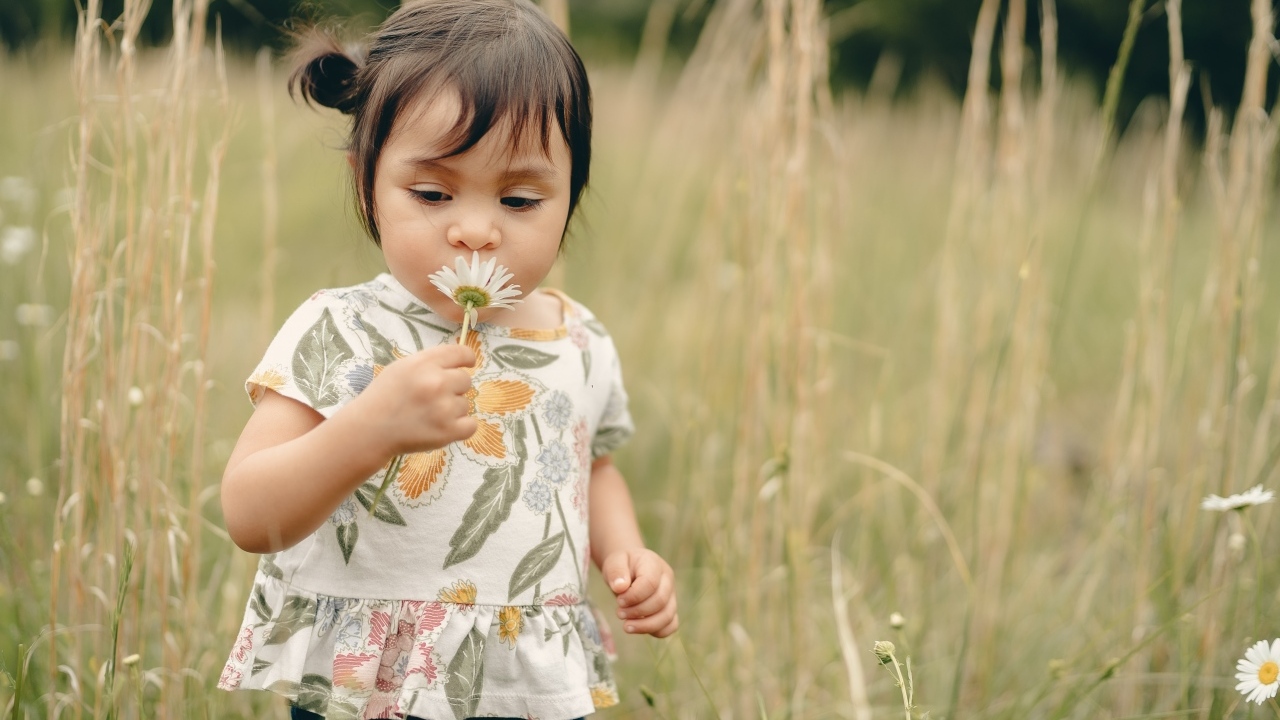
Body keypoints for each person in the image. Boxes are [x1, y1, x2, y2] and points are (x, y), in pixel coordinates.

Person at [216, 2, 678, 718]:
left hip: (531, 684)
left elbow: (595, 461)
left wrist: (628, 555)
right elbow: (250, 514)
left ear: (572, 193)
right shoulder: (342, 328)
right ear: (364, 178)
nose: (474, 230)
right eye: (432, 193)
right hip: (373, 688)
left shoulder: (577, 339)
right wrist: (368, 428)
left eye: (521, 199)